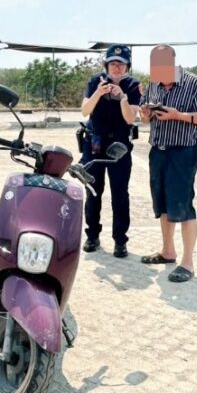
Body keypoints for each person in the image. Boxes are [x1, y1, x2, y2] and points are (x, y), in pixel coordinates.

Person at [139, 45, 197, 283]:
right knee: (162, 204)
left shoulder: (194, 84)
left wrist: (178, 115)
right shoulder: (153, 84)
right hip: (158, 151)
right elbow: (144, 118)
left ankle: (187, 263)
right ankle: (168, 251)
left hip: (183, 153)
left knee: (183, 206)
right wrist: (145, 114)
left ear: (173, 62)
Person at [80, 44, 141, 258]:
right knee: (93, 191)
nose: (116, 68)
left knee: (120, 193)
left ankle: (120, 240)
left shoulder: (133, 86)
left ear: (127, 67)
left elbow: (130, 118)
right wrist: (99, 92)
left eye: (121, 64)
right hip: (95, 143)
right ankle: (92, 235)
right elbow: (85, 110)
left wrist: (122, 97)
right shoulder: (95, 81)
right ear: (106, 65)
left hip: (119, 146)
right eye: (113, 63)